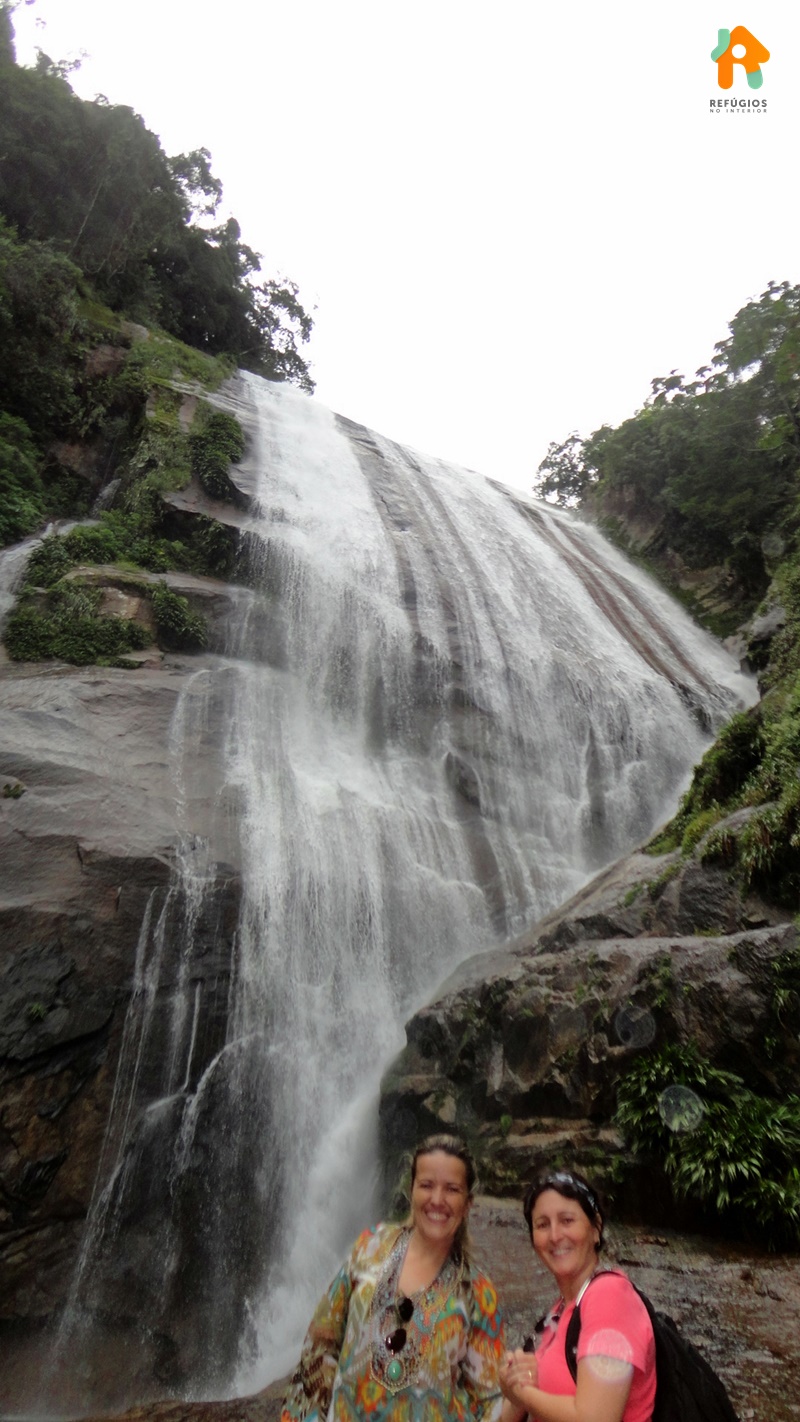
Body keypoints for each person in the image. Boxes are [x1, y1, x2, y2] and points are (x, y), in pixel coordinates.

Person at [281, 1133, 505, 1421]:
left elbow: (488, 1400)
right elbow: (320, 1342)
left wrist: (528, 1392)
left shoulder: (478, 1292)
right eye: (426, 1185)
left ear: (468, 1202)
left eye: (452, 1189)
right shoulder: (369, 1247)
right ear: (411, 1190)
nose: (437, 1200)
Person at [499, 1170, 655, 1422]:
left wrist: (521, 1394)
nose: (555, 1235)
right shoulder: (557, 1314)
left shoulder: (611, 1297)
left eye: (567, 1220)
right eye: (542, 1225)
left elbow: (597, 1418)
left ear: (596, 1228)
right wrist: (514, 1377)